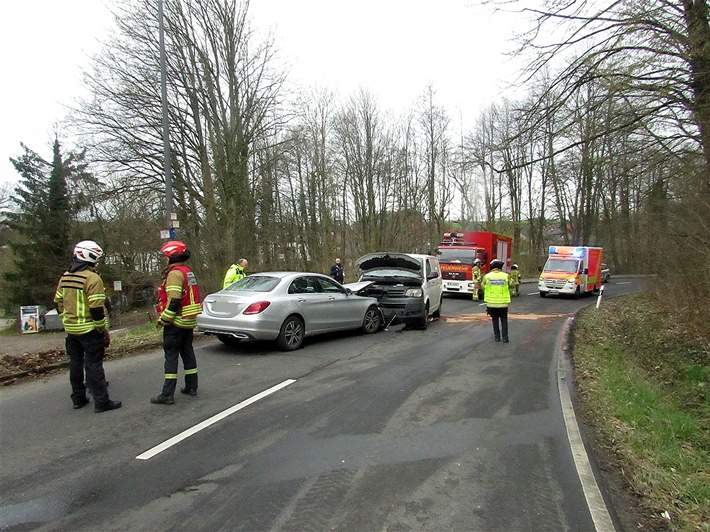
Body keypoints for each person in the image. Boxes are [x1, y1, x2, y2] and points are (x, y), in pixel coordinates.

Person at [54, 240, 121, 412]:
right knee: (93, 365)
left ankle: (78, 398)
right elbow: (97, 309)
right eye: (96, 259)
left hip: (71, 330)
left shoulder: (65, 276)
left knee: (75, 364)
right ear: (90, 257)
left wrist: (66, 320)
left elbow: (58, 302)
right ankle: (102, 402)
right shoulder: (92, 278)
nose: (97, 262)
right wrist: (102, 329)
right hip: (89, 330)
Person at [151, 240, 202, 405]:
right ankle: (192, 386)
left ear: (173, 256)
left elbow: (174, 300)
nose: (164, 260)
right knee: (187, 352)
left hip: (176, 322)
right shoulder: (187, 271)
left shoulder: (174, 274)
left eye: (166, 257)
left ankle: (167, 394)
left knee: (171, 355)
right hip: (188, 321)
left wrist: (164, 319)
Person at [482, 258, 512, 343]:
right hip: (503, 304)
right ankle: (505, 338)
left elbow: (482, 286)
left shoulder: (487, 276)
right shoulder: (506, 276)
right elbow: (512, 285)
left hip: (491, 304)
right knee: (504, 320)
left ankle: (497, 337)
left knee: (494, 320)